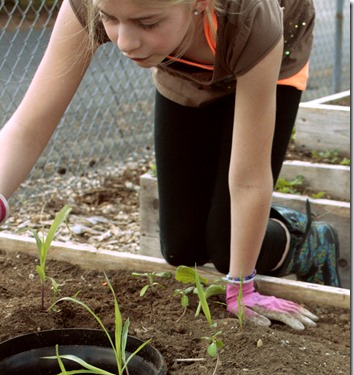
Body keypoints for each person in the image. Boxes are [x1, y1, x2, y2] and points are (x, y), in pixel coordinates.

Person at [0, 0, 341, 330]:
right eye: (110, 18)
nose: (125, 43)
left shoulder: (252, 14)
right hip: (182, 59)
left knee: (228, 249)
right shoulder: (93, 4)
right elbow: (28, 127)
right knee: (181, 248)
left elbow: (250, 178)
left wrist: (242, 288)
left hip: (267, 53)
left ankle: (306, 240)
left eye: (147, 23)